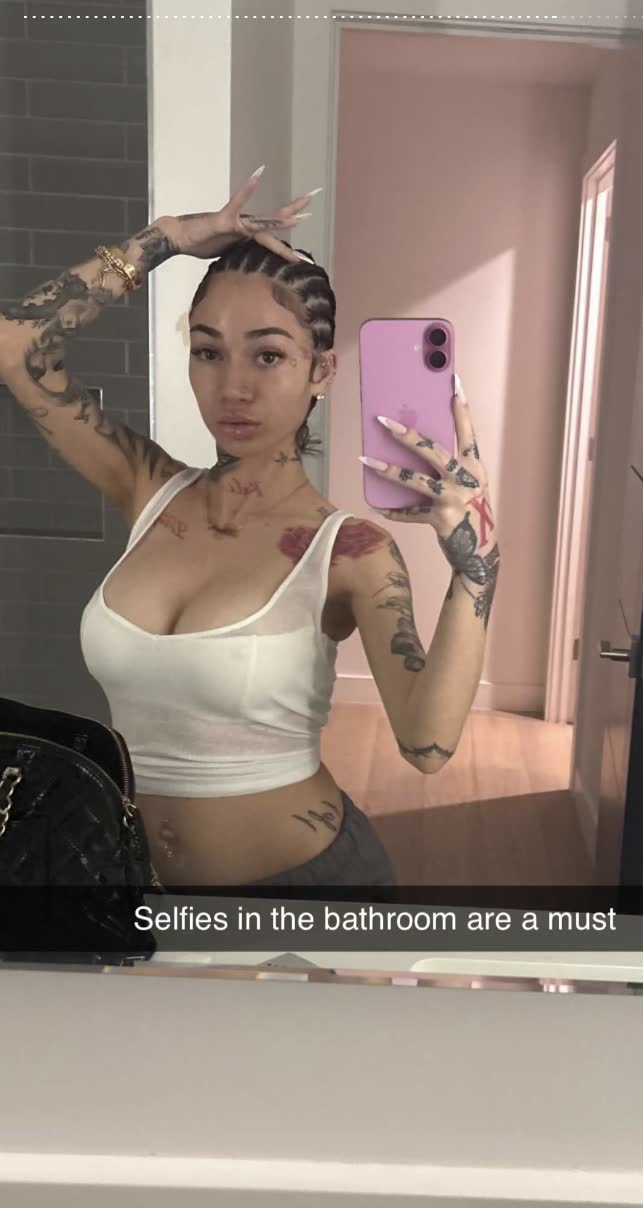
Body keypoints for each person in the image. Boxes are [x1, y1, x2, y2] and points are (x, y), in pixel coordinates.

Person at [0, 169, 499, 893]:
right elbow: (17, 348)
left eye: (268, 355)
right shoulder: (148, 488)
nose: (233, 387)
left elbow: (427, 744)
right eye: (209, 351)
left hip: (304, 893)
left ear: (321, 370)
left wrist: (477, 566)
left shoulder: (349, 552)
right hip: (131, 890)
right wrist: (168, 238)